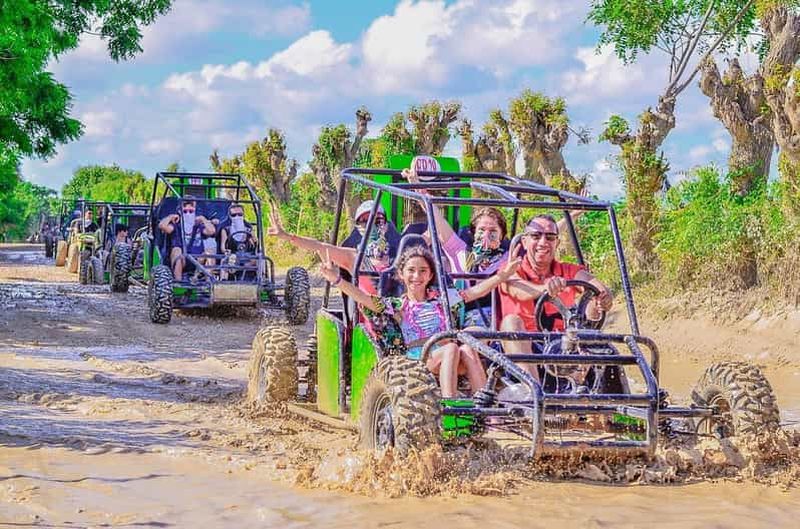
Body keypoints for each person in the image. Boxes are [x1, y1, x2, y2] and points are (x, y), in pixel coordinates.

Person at [318, 244, 522, 398]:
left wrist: (503, 276)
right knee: (452, 347)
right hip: (418, 359)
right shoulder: (398, 305)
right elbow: (365, 299)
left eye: (423, 271)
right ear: (401, 274)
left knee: (468, 348)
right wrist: (336, 279)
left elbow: (474, 292)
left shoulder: (442, 299)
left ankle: (482, 407)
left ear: (431, 274)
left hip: (450, 355)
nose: (417, 276)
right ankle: (449, 403)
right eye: (411, 271)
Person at [499, 214, 613, 357]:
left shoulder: (568, 270)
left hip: (562, 344)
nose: (543, 242)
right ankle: (529, 379)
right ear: (524, 241)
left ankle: (585, 374)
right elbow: (518, 289)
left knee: (599, 337)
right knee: (511, 322)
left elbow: (593, 284)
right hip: (523, 344)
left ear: (557, 243)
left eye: (550, 237)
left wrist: (604, 297)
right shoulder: (509, 270)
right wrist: (546, 288)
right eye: (536, 236)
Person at [267, 199, 393, 294]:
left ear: (386, 225)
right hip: (371, 319)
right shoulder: (355, 257)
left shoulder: (401, 253)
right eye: (364, 221)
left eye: (378, 220)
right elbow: (319, 246)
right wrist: (287, 236)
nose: (371, 226)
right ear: (358, 227)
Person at [158, 199, 216, 279]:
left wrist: (203, 219)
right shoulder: (176, 225)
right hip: (181, 259)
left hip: (198, 259)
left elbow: (211, 231)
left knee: (210, 252)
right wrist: (171, 217)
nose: (188, 214)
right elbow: (162, 226)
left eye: (191, 211)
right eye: (185, 211)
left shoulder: (198, 225)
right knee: (177, 250)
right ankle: (179, 281)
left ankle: (208, 283)